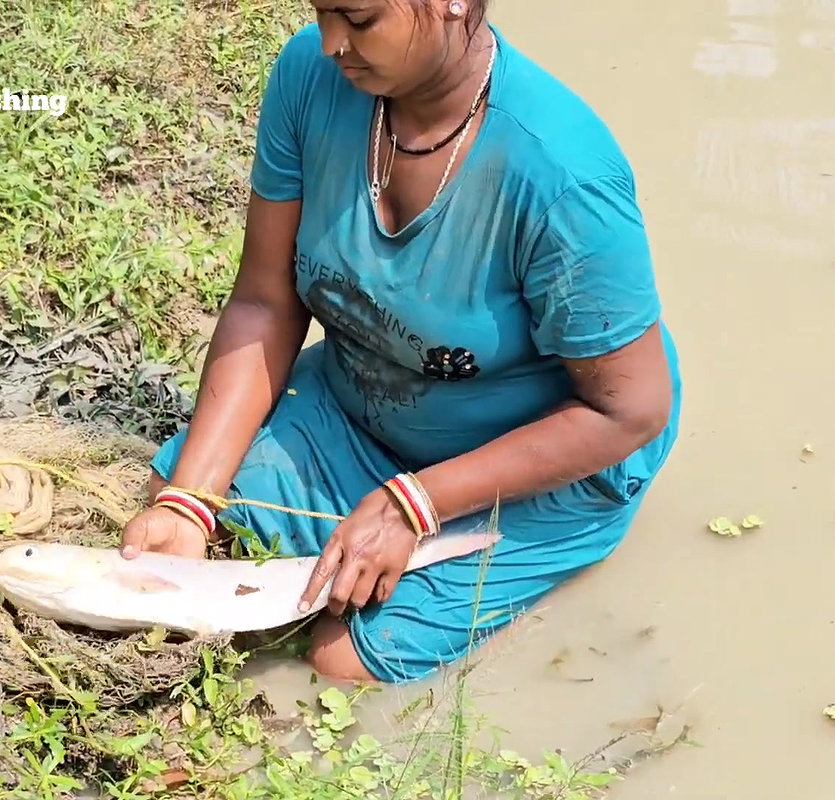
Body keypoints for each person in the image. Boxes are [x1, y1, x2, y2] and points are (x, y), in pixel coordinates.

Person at [119, 0, 683, 685]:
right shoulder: (310, 76)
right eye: (321, 13)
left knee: (345, 658)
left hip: (534, 462)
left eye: (357, 20)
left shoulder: (563, 178)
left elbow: (630, 410)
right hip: (364, 402)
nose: (331, 43)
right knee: (176, 507)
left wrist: (416, 504)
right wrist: (189, 499)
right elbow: (265, 301)